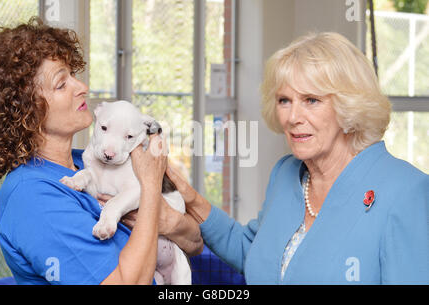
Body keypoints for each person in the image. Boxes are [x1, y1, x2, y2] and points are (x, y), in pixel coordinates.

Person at [166, 32, 429, 284]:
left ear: (349, 105)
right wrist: (192, 199)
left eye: (311, 100)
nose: (293, 117)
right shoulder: (285, 174)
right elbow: (254, 254)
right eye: (284, 100)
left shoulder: (406, 191)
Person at [0, 18, 202, 285]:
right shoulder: (34, 198)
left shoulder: (83, 161)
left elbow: (195, 242)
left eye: (73, 75)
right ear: (25, 110)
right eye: (62, 84)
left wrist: (165, 217)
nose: (82, 87)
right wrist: (151, 186)